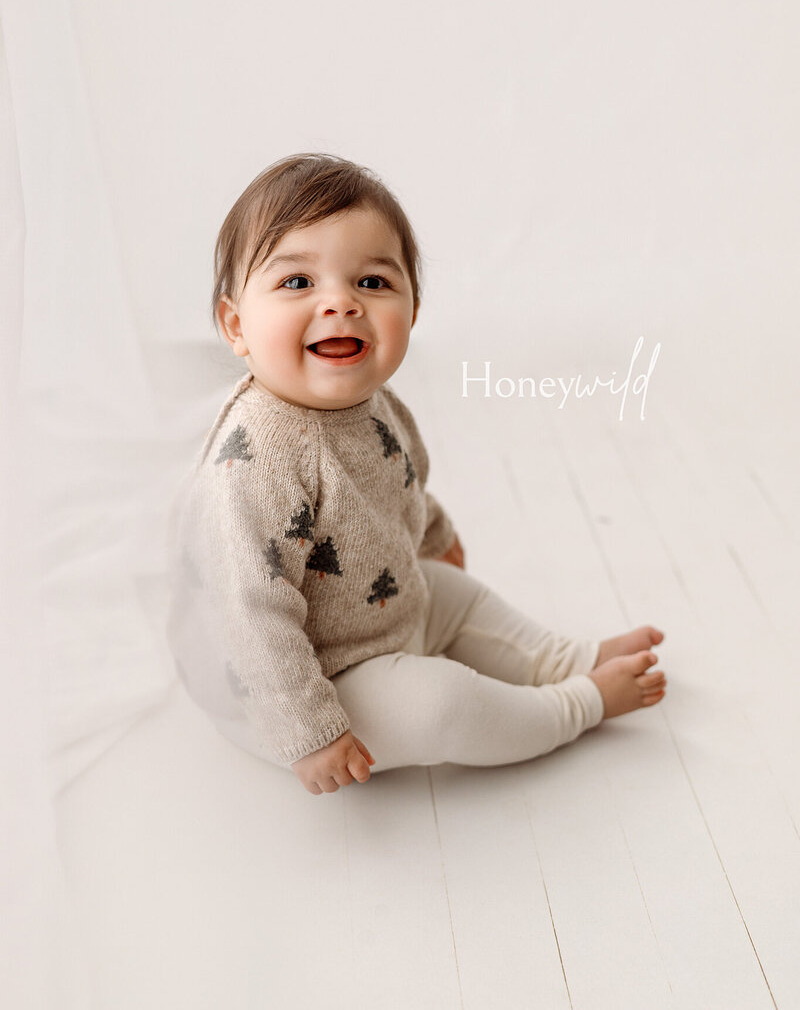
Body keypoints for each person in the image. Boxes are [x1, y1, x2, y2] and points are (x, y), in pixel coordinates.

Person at [167, 153, 667, 796]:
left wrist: (433, 536)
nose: (340, 304)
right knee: (443, 706)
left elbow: (402, 484)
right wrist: (309, 730)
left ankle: (565, 658)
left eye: (372, 283)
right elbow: (250, 610)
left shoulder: (373, 404)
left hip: (377, 607)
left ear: (413, 308)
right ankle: (580, 703)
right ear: (237, 325)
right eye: (297, 284)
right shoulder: (256, 459)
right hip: (297, 680)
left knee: (460, 596)